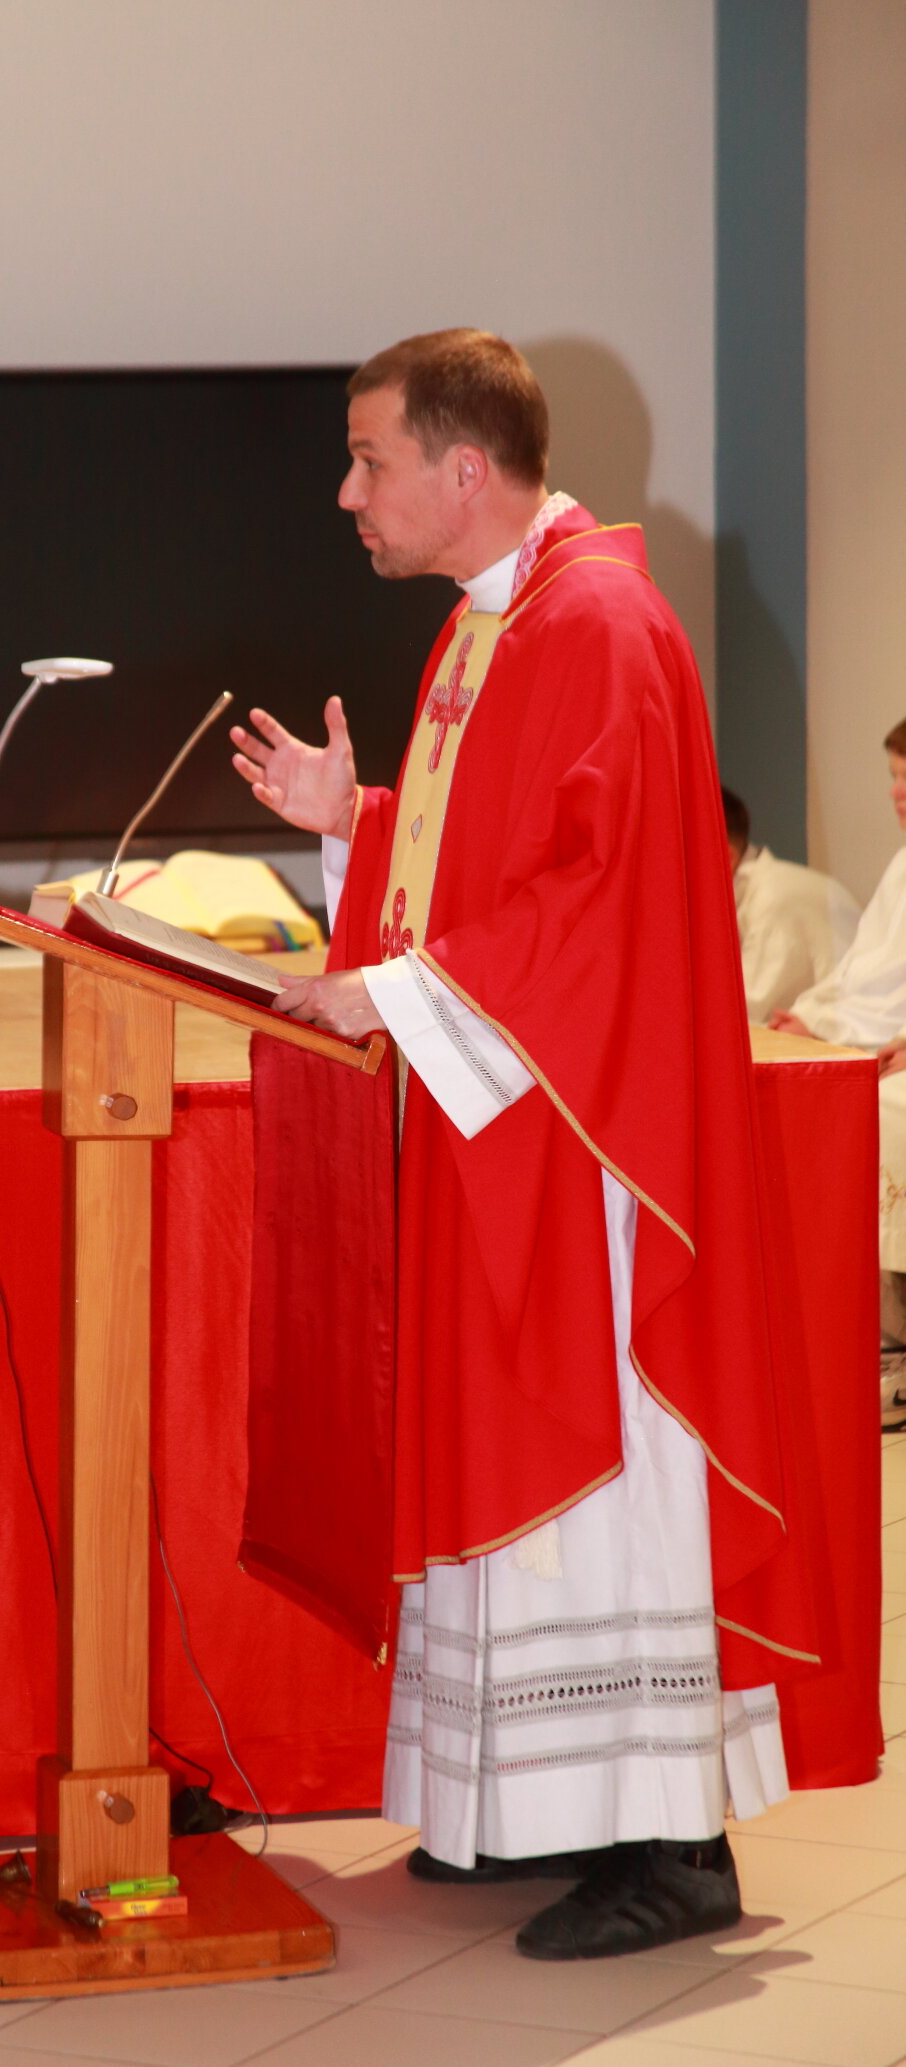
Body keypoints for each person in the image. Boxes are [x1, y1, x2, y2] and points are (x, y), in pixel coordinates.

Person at [231, 329, 810, 1961]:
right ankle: (543, 1812)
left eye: (369, 460)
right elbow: (481, 864)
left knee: (597, 1474)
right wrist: (352, 824)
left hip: (586, 1140)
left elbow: (598, 896)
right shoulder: (487, 627)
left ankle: (668, 1843)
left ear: (462, 467)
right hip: (506, 1126)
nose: (347, 493)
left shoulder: (598, 623)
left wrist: (381, 990)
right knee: (517, 1474)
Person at [768, 725, 906, 1426]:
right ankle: (820, 1331)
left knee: (882, 1115)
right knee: (806, 1095)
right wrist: (814, 1013)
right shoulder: (902, 865)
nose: (897, 793)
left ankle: (893, 1346)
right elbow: (864, 973)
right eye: (893, 777)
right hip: (883, 1044)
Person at [722, 786, 859, 1022]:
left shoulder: (772, 897)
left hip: (850, 1035)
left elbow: (741, 1017)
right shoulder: (758, 891)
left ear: (727, 857)